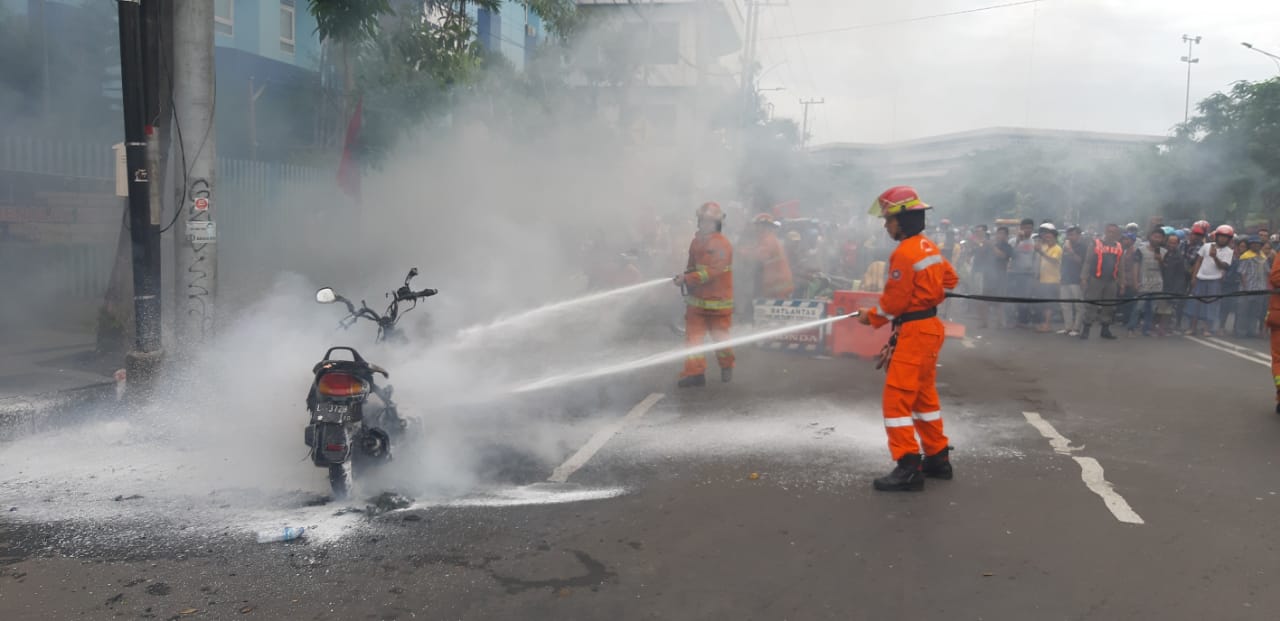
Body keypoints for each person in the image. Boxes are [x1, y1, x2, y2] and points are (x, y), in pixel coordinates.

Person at [856, 186, 959, 492]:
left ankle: (908, 466)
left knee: (897, 400)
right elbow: (951, 279)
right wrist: (927, 291)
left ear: (903, 219)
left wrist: (870, 317)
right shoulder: (928, 246)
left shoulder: (903, 252)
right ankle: (938, 457)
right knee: (923, 397)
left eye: (888, 219)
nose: (885, 225)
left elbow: (893, 305)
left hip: (914, 332)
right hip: (929, 328)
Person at [673, 202, 735, 388]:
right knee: (693, 339)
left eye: (710, 221)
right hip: (697, 302)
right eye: (703, 221)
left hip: (718, 302)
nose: (705, 224)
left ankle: (726, 365)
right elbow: (692, 266)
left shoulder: (722, 245)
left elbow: (713, 272)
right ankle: (695, 374)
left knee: (720, 340)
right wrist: (684, 277)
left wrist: (688, 279)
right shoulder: (696, 241)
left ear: (717, 223)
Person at [1188, 225, 1235, 337]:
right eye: (1221, 236)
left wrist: (1214, 257)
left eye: (1226, 237)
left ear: (1229, 239)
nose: (1223, 239)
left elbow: (1224, 266)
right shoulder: (1206, 246)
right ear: (1217, 236)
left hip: (1215, 280)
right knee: (1196, 304)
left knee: (1211, 305)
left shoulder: (1229, 251)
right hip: (1200, 278)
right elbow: (1198, 261)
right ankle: (1192, 327)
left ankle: (1206, 328)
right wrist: (1194, 277)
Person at [1080, 223, 1125, 340]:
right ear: (1105, 231)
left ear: (1117, 234)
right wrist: (1084, 278)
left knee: (1109, 306)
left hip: (1111, 281)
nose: (1111, 234)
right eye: (1109, 231)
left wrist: (1122, 282)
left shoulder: (1119, 246)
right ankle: (1086, 329)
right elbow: (1088, 261)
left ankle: (1105, 330)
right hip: (1096, 279)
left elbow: (1120, 266)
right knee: (1092, 304)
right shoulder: (1096, 243)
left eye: (1114, 232)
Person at [741, 214, 794, 300]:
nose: (756, 229)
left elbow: (761, 254)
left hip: (779, 285)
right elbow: (756, 249)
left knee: (776, 309)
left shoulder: (769, 239)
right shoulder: (767, 239)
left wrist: (742, 253)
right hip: (777, 284)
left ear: (764, 226)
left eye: (758, 226)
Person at [1127, 228, 1166, 336]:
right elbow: (1135, 266)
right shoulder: (1141, 250)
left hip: (1157, 284)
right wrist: (1135, 281)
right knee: (1139, 307)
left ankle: (1146, 329)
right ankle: (1131, 328)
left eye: (1160, 237)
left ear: (1163, 239)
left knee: (1152, 308)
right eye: (1155, 236)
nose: (1157, 239)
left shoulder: (1164, 252)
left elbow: (1166, 269)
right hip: (1143, 282)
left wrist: (1160, 260)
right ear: (1150, 237)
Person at [979, 226, 1012, 329]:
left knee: (999, 301)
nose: (1000, 235)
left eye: (1002, 233)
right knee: (984, 299)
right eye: (998, 233)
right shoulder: (990, 245)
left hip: (1000, 276)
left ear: (1006, 236)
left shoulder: (1007, 246)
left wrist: (992, 246)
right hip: (988, 275)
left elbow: (1002, 256)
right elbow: (982, 256)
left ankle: (1000, 322)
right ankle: (984, 322)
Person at [1236, 236, 1268, 338]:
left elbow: (1268, 272)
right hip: (1248, 289)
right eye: (1253, 243)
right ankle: (1240, 331)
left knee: (1255, 312)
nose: (1256, 245)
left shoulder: (1263, 257)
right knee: (1243, 311)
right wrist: (1245, 289)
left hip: (1260, 289)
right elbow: (1242, 273)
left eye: (1258, 243)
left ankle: (1251, 331)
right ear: (1250, 245)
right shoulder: (1246, 256)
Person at [1008, 218, 1038, 328]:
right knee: (1014, 297)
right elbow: (1011, 255)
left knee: (1026, 297)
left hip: (1029, 274)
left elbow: (1036, 258)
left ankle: (1023, 320)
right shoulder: (1013, 241)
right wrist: (1018, 241)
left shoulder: (1034, 242)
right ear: (1020, 228)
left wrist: (1035, 272)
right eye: (1025, 228)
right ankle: (1013, 319)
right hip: (1015, 273)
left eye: (1029, 228)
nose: (1027, 230)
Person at [1158, 233, 1188, 336]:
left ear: (1178, 244)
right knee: (1163, 308)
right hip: (1163, 284)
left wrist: (1177, 288)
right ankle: (1162, 327)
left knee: (1167, 309)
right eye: (1170, 242)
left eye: (1174, 243)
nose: (1172, 245)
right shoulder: (1165, 253)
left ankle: (1163, 328)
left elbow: (1179, 274)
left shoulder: (1178, 256)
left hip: (1172, 286)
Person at [1034, 224, 1062, 332]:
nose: (1047, 239)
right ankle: (1044, 323)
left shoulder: (1057, 248)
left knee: (1049, 305)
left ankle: (1047, 324)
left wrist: (1041, 252)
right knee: (1043, 304)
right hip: (1042, 280)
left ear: (1055, 238)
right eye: (1046, 238)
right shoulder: (1045, 247)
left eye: (1049, 238)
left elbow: (1053, 261)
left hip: (1052, 281)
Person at [1059, 226, 1086, 336]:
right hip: (1065, 279)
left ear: (1078, 235)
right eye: (1068, 234)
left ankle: (1077, 328)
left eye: (1072, 234)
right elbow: (1062, 262)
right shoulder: (1064, 246)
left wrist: (1071, 251)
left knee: (1078, 306)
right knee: (1065, 305)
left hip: (1076, 279)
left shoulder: (1082, 247)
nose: (1069, 237)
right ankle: (1068, 327)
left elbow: (1081, 262)